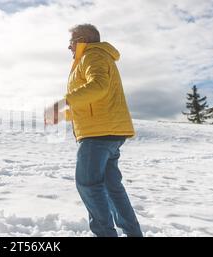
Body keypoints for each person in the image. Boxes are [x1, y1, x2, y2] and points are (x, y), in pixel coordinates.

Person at [44, 24, 143, 237]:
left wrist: (62, 102)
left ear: (82, 39)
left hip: (98, 135)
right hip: (108, 131)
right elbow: (93, 103)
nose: (68, 46)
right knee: (111, 187)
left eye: (71, 40)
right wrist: (64, 116)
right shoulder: (95, 57)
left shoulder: (92, 55)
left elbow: (99, 86)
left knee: (88, 184)